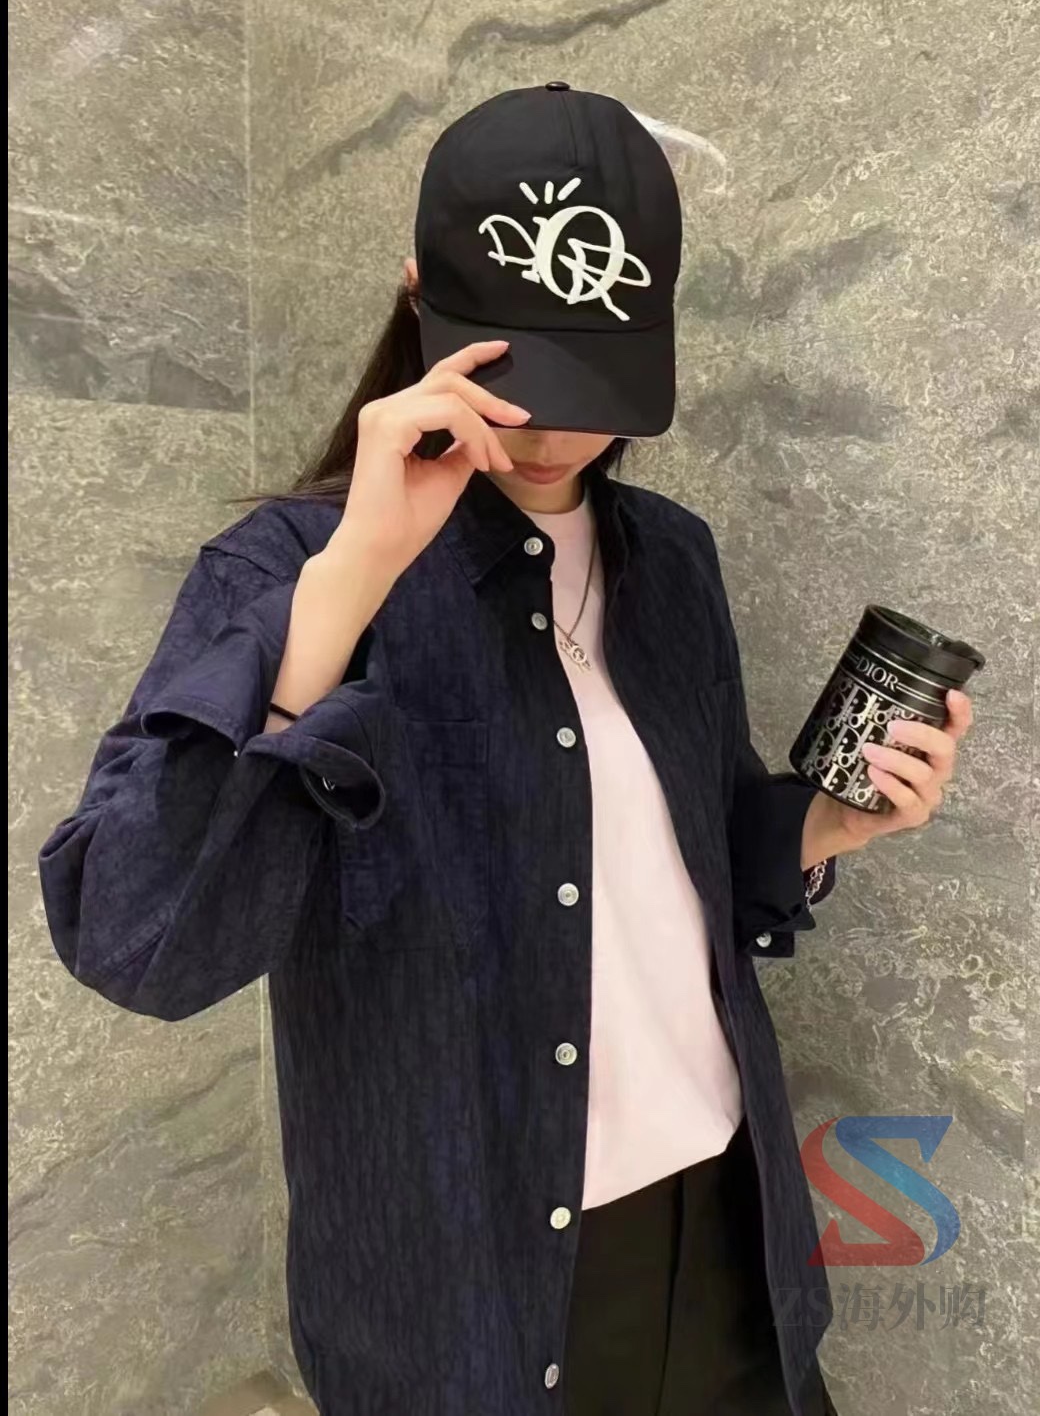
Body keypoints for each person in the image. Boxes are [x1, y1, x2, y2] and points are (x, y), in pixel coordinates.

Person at [38, 84, 971, 1416]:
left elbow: (689, 862)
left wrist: (828, 826)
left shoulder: (673, 561)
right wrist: (355, 574)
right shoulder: (288, 569)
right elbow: (136, 938)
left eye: (589, 379)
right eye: (513, 373)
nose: (546, 429)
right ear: (422, 298)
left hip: (730, 1232)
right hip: (464, 1295)